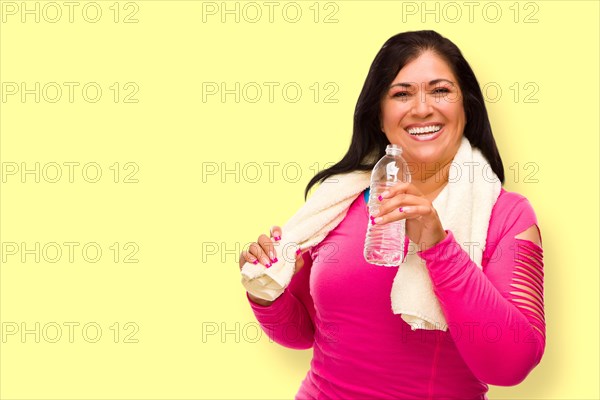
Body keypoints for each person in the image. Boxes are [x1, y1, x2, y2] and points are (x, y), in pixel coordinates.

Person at [238, 30, 545, 399]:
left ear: (467, 108)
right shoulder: (335, 203)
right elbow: (303, 334)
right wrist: (266, 292)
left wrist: (437, 247)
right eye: (401, 94)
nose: (421, 108)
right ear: (379, 117)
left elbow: (511, 365)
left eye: (441, 90)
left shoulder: (507, 215)